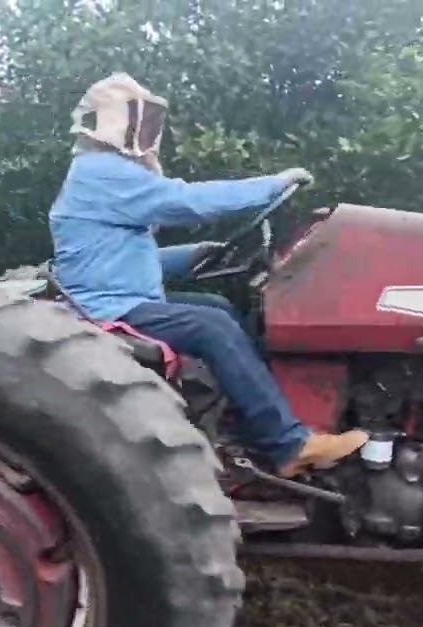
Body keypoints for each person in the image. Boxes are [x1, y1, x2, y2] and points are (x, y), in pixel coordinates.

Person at [48, 72, 367, 477]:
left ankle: (251, 420)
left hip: (117, 293)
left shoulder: (97, 175)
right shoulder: (101, 171)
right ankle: (289, 444)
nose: (145, 132)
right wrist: (272, 185)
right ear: (111, 122)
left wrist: (198, 255)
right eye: (138, 121)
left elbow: (118, 256)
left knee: (218, 306)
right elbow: (188, 201)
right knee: (212, 324)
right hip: (107, 307)